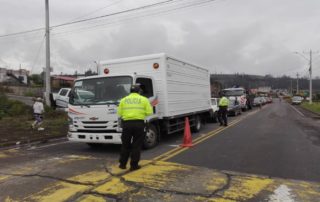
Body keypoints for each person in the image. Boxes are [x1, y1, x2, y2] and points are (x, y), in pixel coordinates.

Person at [117, 85, 153, 171]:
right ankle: (134, 165)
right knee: (136, 145)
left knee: (125, 145)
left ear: (130, 91)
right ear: (139, 91)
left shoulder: (123, 100)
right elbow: (149, 113)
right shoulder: (144, 99)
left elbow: (119, 113)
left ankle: (122, 164)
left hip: (126, 124)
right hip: (139, 124)